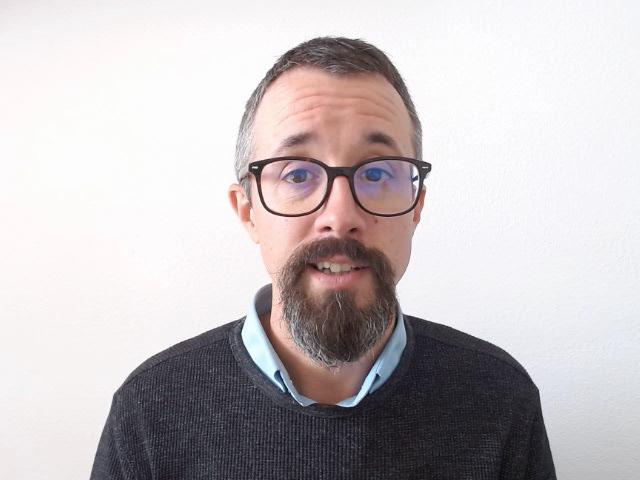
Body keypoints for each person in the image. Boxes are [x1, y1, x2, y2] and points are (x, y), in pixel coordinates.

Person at [90, 37, 556, 479]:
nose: (340, 216)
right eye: (297, 175)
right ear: (248, 212)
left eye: (377, 173)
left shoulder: (499, 399)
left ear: (416, 207)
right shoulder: (149, 411)